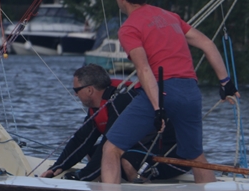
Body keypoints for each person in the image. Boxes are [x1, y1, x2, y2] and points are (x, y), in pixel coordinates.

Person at [101, 0, 240, 184]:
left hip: (162, 92)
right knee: (196, 157)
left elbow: (144, 69)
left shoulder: (129, 28)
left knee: (111, 149)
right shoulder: (170, 17)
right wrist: (226, 83)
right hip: (190, 92)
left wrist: (158, 109)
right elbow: (207, 44)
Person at [41, 64, 187, 181]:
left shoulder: (121, 101)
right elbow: (81, 140)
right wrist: (58, 166)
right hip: (146, 147)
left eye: (76, 90)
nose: (74, 94)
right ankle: (105, 186)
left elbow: (108, 143)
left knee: (127, 160)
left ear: (90, 90)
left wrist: (82, 176)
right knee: (93, 151)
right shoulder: (101, 105)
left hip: (172, 153)